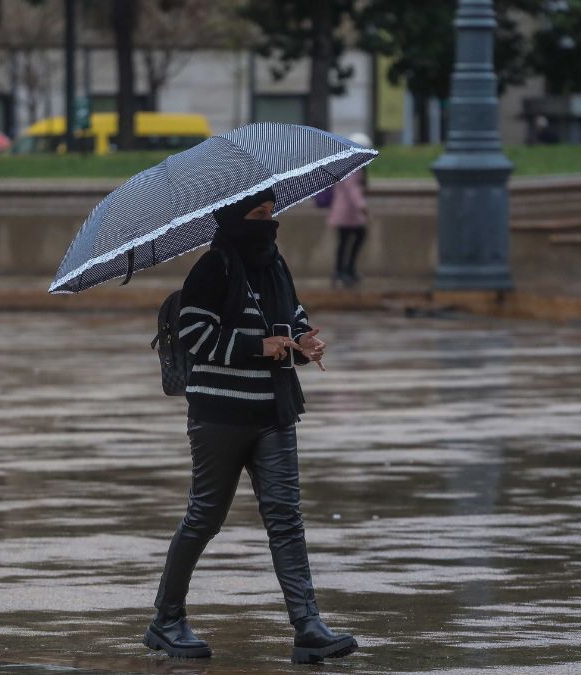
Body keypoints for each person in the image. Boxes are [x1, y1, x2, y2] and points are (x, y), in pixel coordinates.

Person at [144, 189, 358, 665]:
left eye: (271, 213)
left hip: (274, 412)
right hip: (220, 415)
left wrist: (303, 340)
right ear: (235, 218)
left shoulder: (274, 264)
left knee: (286, 519)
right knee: (205, 517)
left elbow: (291, 315)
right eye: (259, 215)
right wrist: (259, 347)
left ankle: (307, 626)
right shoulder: (212, 267)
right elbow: (196, 334)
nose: (269, 222)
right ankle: (166, 619)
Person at [328, 132, 371, 288]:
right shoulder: (352, 166)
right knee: (349, 240)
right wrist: (362, 205)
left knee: (346, 241)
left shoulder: (347, 163)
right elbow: (353, 189)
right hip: (347, 212)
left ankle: (344, 270)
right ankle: (343, 271)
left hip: (348, 212)